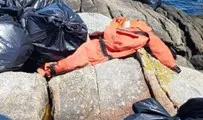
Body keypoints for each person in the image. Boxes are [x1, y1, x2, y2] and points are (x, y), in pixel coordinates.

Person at [38, 17, 180, 78]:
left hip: (102, 44)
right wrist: (171, 65)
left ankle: (50, 68)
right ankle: (50, 68)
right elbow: (159, 48)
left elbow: (116, 23)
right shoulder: (146, 36)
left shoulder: (136, 27)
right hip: (103, 47)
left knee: (76, 58)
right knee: (78, 59)